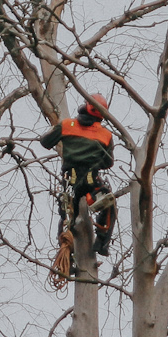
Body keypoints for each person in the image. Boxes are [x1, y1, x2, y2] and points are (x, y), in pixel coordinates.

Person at [37, 96, 117, 270]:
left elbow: (45, 142)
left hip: (70, 184)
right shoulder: (105, 135)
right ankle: (102, 243)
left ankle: (67, 261)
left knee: (67, 219)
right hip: (91, 188)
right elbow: (108, 162)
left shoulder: (67, 125)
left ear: (85, 107)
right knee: (108, 205)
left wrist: (64, 138)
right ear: (102, 114)